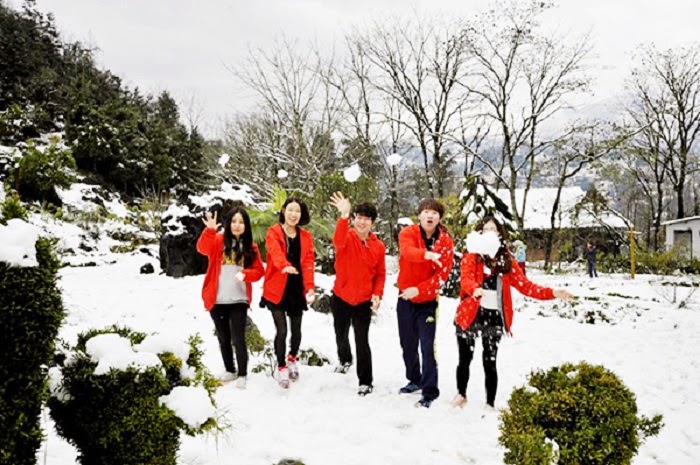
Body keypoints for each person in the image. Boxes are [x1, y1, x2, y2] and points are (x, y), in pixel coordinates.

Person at [451, 216, 573, 409]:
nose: (489, 233)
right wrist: (474, 289)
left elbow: (526, 286)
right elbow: (466, 279)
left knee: (490, 360)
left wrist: (553, 293)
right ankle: (461, 394)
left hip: (494, 317)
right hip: (470, 314)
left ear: (499, 234)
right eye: (485, 229)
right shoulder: (472, 255)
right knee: (465, 358)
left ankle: (490, 403)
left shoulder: (506, 259)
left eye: (493, 229)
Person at [196, 205, 265, 390]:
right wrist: (210, 231)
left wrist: (245, 274)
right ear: (228, 223)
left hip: (239, 300)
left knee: (238, 338)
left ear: (246, 225)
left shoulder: (251, 247)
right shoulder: (218, 240)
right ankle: (230, 369)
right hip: (217, 299)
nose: (237, 225)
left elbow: (259, 271)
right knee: (223, 337)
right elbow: (202, 248)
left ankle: (242, 373)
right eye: (233, 221)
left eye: (241, 222)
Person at [396, 198, 454, 408]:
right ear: (419, 215)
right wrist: (427, 254)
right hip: (405, 297)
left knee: (427, 345)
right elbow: (407, 252)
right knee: (407, 343)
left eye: (434, 213)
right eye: (426, 212)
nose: (430, 216)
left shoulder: (445, 241)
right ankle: (415, 379)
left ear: (439, 218)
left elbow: (442, 276)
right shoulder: (408, 233)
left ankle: (430, 390)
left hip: (428, 300)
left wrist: (419, 290)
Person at [328, 192, 386, 396]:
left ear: (372, 222)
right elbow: (337, 241)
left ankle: (366, 381)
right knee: (341, 334)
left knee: (362, 341)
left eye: (367, 219)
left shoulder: (378, 246)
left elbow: (380, 274)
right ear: (354, 219)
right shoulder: (346, 237)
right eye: (359, 217)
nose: (362, 222)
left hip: (363, 301)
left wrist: (377, 294)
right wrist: (343, 215)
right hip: (341, 297)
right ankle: (345, 359)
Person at [261, 197, 315, 389]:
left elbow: (308, 262)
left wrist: (310, 287)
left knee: (296, 329)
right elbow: (275, 252)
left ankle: (292, 358)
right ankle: (281, 366)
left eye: (297, 211)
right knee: (282, 330)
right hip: (277, 288)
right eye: (290, 210)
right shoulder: (273, 232)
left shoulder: (306, 236)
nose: (294, 214)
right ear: (283, 211)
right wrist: (284, 265)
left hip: (296, 288)